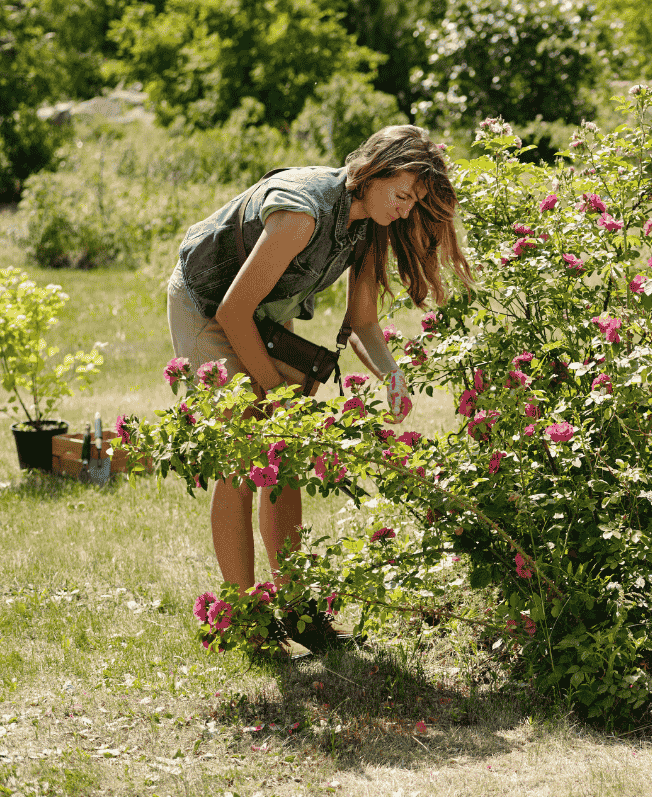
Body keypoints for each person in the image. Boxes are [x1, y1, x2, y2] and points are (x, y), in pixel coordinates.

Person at [168, 125, 473, 653]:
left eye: (412, 203)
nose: (404, 211)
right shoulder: (300, 213)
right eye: (401, 195)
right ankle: (244, 623)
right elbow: (230, 312)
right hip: (207, 307)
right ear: (373, 171)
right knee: (244, 456)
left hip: (255, 315)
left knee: (283, 458)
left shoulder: (368, 225)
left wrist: (392, 375)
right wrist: (273, 395)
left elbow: (362, 324)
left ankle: (298, 611)